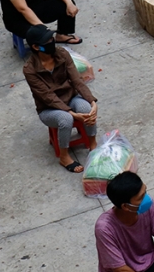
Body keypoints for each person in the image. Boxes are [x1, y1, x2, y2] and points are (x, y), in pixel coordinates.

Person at [23, 25, 98, 173]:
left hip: (70, 97)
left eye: (51, 38)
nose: (52, 41)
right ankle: (64, 156)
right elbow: (48, 97)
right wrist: (71, 113)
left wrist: (92, 101)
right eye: (47, 40)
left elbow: (77, 81)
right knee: (66, 119)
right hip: (48, 109)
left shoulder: (62, 54)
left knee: (86, 109)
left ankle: (93, 144)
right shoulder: (29, 70)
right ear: (36, 47)